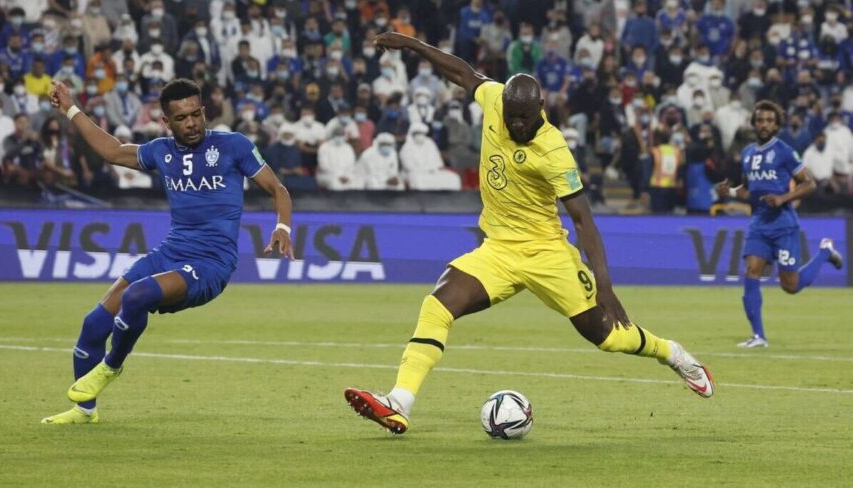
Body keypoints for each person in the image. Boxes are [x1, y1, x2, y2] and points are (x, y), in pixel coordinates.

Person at [344, 32, 715, 436]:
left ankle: (674, 354)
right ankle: (399, 403)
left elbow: (584, 220)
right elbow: (463, 72)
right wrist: (413, 45)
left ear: (541, 107)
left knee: (606, 337)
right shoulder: (494, 100)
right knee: (437, 305)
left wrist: (605, 285)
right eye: (511, 115)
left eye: (524, 116)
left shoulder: (553, 150)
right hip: (499, 249)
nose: (516, 123)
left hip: (547, 253)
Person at [41, 79, 294, 424]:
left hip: (211, 263)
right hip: (171, 252)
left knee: (137, 296)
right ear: (166, 122)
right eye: (182, 118)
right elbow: (112, 151)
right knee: (94, 323)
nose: (191, 123)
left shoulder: (234, 146)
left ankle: (112, 366)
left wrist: (283, 226)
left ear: (204, 112)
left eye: (196, 114)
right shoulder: (161, 152)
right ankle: (84, 411)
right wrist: (71, 108)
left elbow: (276, 188)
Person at [717, 101, 843, 349]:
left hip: (784, 226)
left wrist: (783, 198)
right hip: (758, 226)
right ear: (754, 123)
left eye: (768, 121)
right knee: (751, 270)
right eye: (760, 120)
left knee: (791, 286)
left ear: (776, 125)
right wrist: (730, 192)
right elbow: (748, 190)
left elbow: (810, 183)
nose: (763, 124)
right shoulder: (747, 154)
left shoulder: (785, 151)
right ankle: (758, 336)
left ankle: (825, 252)